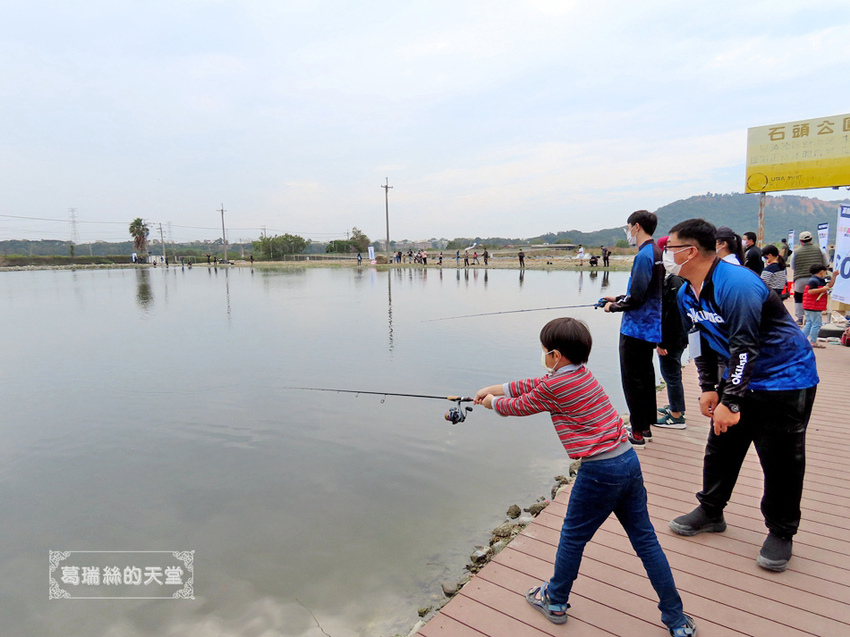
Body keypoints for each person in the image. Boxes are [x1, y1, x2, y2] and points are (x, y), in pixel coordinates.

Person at [474, 317, 696, 636]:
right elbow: (534, 385)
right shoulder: (580, 374)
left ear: (556, 354)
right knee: (646, 541)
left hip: (600, 472)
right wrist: (493, 388)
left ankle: (555, 600)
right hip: (627, 461)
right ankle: (676, 619)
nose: (544, 356)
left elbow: (518, 406)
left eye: (545, 351)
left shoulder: (555, 385)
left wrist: (492, 402)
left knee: (573, 536)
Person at [663, 218, 818, 573]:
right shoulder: (686, 290)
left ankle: (781, 531)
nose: (666, 256)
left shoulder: (738, 285)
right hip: (738, 374)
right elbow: (699, 340)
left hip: (784, 378)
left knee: (781, 460)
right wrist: (707, 388)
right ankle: (711, 510)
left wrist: (730, 401)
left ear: (689, 251)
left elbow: (745, 347)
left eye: (669, 249)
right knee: (721, 446)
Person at [603, 210, 663, 449]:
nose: (628, 232)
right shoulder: (656, 252)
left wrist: (613, 307)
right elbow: (644, 292)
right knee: (646, 378)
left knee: (632, 381)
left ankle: (636, 433)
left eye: (628, 227)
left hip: (636, 329)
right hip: (650, 329)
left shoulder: (644, 255)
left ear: (637, 227)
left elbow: (636, 298)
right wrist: (617, 297)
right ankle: (645, 426)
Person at [654, 236, 687, 429]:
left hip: (672, 339)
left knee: (671, 375)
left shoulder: (675, 280)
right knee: (672, 374)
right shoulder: (675, 277)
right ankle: (676, 407)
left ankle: (676, 416)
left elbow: (672, 315)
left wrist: (662, 342)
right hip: (678, 337)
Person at [790, 231, 827, 325]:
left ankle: (799, 318)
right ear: (811, 238)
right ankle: (809, 318)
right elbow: (826, 263)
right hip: (816, 279)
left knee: (799, 298)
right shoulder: (820, 250)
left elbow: (792, 267)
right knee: (813, 297)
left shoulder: (796, 252)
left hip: (800, 278)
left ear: (800, 240)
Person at [802, 264, 830, 348]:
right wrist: (822, 289)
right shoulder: (813, 281)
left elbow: (829, 285)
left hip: (809, 305)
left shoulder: (819, 280)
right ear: (821, 272)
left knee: (809, 323)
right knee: (816, 324)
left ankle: (802, 340)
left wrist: (835, 276)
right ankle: (813, 341)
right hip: (814, 305)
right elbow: (810, 291)